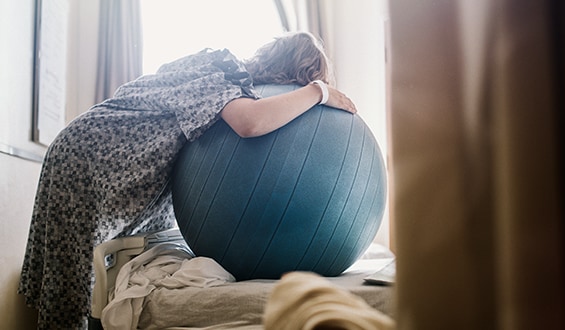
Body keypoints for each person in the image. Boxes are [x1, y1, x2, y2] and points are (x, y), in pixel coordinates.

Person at [18, 31, 356, 329]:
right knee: (73, 275)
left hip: (103, 155)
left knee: (82, 270)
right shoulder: (220, 72)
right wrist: (318, 92)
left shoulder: (223, 77)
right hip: (90, 156)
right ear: (292, 73)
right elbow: (249, 123)